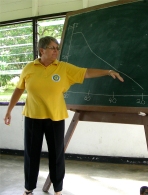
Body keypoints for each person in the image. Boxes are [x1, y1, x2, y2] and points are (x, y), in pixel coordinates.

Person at [4, 36, 124, 195]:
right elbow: (19, 89)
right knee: (31, 155)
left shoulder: (63, 68)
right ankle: (29, 188)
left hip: (55, 118)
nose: (56, 51)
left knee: (57, 155)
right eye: (53, 48)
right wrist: (9, 110)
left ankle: (58, 189)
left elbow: (86, 73)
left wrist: (107, 72)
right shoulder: (29, 68)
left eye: (57, 48)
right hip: (33, 118)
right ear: (42, 50)